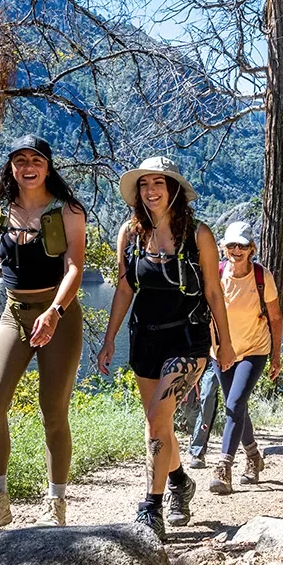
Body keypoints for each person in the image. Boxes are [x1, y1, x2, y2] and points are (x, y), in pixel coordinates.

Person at [98, 157, 230, 542]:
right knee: (159, 424)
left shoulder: (198, 235)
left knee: (157, 419)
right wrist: (109, 340)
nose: (151, 190)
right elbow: (125, 289)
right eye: (144, 184)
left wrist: (225, 343)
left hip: (188, 339)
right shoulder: (131, 234)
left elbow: (213, 292)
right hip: (146, 339)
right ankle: (178, 481)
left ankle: (150, 507)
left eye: (159, 182)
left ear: (174, 189)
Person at [0, 135, 89, 539]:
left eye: (35, 159)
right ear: (11, 168)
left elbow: (74, 268)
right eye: (20, 160)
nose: (28, 166)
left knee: (53, 410)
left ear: (48, 165)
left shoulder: (68, 211)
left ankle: (56, 505)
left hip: (59, 317)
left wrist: (55, 312)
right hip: (12, 314)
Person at [210, 221, 283, 494]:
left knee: (235, 402)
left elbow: (275, 317)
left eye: (242, 245)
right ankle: (253, 456)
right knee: (235, 406)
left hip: (255, 348)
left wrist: (276, 356)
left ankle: (223, 466)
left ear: (252, 249)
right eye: (231, 245)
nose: (236, 250)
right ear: (223, 248)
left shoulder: (262, 277)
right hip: (221, 351)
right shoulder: (216, 275)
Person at [185, 362, 222, 468]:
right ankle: (195, 434)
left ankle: (198, 450)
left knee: (207, 396)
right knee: (187, 404)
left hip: (213, 357)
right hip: (190, 356)